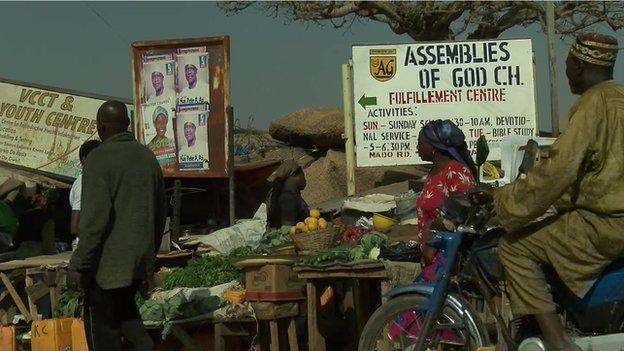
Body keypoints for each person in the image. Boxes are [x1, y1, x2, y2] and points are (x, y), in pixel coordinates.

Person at [477, 33, 622, 351]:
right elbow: (592, 176)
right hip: (610, 219)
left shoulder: (591, 106)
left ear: (581, 66)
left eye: (569, 64)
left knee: (514, 247)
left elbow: (557, 171)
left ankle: (557, 342)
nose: (567, 71)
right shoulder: (619, 99)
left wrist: (505, 202)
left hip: (605, 224)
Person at [68, 100, 166, 350]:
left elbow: (93, 222)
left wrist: (78, 264)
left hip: (107, 268)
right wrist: (148, 259)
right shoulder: (148, 158)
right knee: (128, 319)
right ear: (127, 125)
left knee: (104, 333)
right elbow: (159, 215)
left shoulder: (99, 159)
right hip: (136, 264)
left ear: (101, 127)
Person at [414, 119, 477, 282]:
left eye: (420, 143)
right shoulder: (433, 173)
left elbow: (462, 216)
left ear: (434, 147)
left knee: (416, 305)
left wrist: (432, 234)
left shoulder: (455, 172)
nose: (417, 148)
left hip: (447, 259)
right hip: (431, 256)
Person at [69, 140, 101, 250]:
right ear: (85, 159)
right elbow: (75, 226)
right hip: (87, 247)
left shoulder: (97, 181)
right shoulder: (84, 183)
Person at [13, 189, 60, 259]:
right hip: (37, 251)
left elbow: (16, 237)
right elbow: (48, 243)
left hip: (22, 249)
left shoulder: (24, 215)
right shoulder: (47, 219)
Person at [266, 159, 308, 228]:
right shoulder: (288, 199)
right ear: (294, 175)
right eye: (302, 174)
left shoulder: (291, 196)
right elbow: (287, 231)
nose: (305, 179)